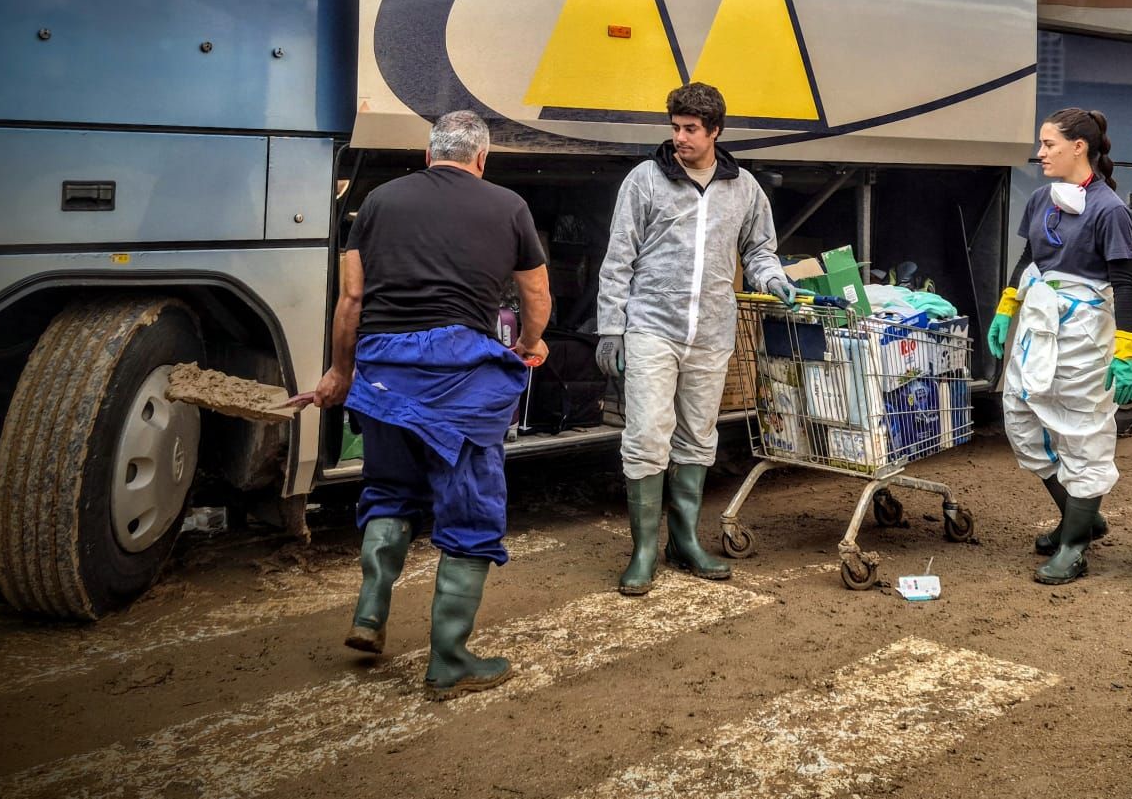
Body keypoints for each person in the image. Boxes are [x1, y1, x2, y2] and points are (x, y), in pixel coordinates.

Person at [313, 110, 550, 697]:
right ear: (482, 159)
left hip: (385, 377)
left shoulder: (378, 202)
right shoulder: (508, 205)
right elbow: (536, 292)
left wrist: (343, 372)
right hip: (459, 380)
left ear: (428, 154)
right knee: (469, 511)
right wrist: (527, 344)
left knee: (389, 490)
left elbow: (351, 299)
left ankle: (370, 612)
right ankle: (449, 658)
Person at [595, 82, 794, 596]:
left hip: (711, 331)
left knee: (698, 438)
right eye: (675, 128)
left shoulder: (743, 188)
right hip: (651, 327)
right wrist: (611, 329)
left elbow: (759, 250)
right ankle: (642, 550)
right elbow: (618, 260)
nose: (679, 138)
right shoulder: (645, 181)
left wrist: (773, 279)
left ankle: (684, 540)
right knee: (645, 435)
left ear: (715, 132)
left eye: (690, 130)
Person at [986, 108, 1132, 585]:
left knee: (1082, 432)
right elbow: (1030, 258)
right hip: (1039, 325)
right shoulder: (1040, 199)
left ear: (1079, 147)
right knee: (1022, 418)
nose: (1040, 153)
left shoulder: (1110, 210)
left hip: (1084, 333)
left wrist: (1125, 352)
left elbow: (1126, 285)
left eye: (1049, 144)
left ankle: (1074, 544)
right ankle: (1084, 516)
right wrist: (1006, 306)